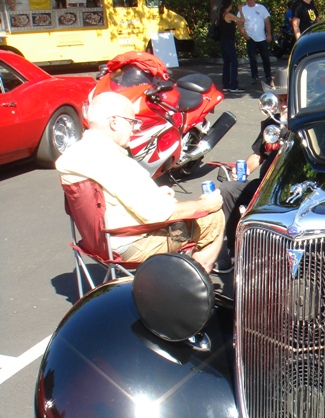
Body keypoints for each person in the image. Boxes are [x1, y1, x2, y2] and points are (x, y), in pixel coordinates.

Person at [56, 92, 225, 275]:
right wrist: (206, 205)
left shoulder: (72, 155)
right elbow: (159, 214)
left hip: (97, 243)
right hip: (131, 244)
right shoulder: (114, 161)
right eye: (131, 122)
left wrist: (155, 193)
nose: (134, 129)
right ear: (114, 122)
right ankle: (194, 284)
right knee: (213, 218)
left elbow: (107, 197)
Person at [215, 84, 288, 270]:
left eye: (287, 99)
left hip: (291, 188)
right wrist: (244, 169)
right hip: (264, 186)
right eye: (280, 100)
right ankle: (234, 252)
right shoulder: (271, 124)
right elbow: (258, 154)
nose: (283, 104)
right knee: (227, 190)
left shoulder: (304, 124)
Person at [238, 0, 273, 86]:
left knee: (266, 58)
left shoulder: (261, 7)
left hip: (262, 38)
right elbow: (239, 23)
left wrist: (269, 34)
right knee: (252, 59)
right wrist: (245, 35)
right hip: (251, 38)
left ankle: (268, 76)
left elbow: (267, 21)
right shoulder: (243, 9)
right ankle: (254, 77)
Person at [218, 0, 244, 93]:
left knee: (226, 62)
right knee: (234, 62)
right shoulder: (228, 15)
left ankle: (226, 84)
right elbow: (242, 20)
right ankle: (234, 85)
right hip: (228, 41)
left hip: (223, 40)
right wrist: (240, 10)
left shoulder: (221, 14)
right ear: (229, 5)